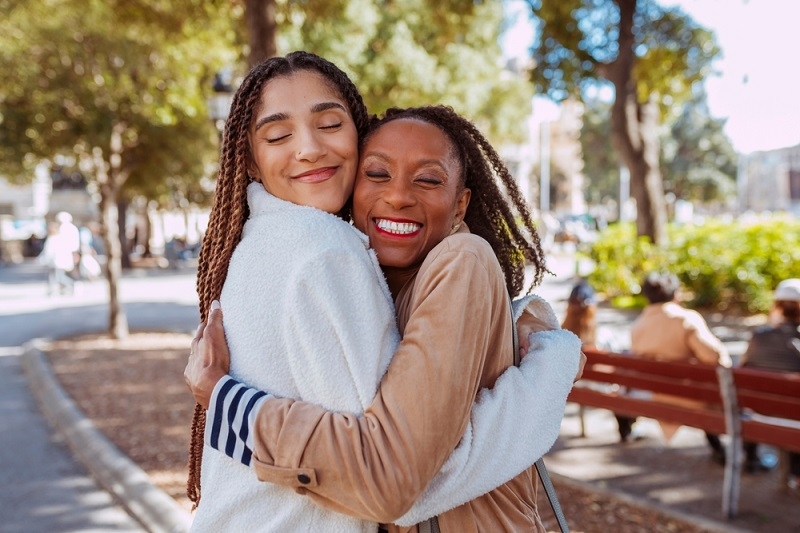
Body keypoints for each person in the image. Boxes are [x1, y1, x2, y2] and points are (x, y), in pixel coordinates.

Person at [185, 53, 582, 532]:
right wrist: (550, 369)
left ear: (461, 203)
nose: (397, 195)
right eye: (377, 174)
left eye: (329, 124)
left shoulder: (275, 244)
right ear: (248, 156)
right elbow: (394, 481)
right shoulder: (324, 250)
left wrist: (226, 404)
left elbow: (393, 478)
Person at [628, 272, 732, 462]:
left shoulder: (638, 325)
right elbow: (715, 357)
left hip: (654, 395)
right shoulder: (685, 319)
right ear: (676, 293)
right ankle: (722, 450)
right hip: (688, 397)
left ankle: (624, 431)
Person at [739, 278, 800, 478]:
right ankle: (796, 472)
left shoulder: (758, 336)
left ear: (776, 306)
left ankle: (751, 458)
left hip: (759, 414)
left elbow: (742, 368)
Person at [38, 212, 81, 295]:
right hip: (65, 255)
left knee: (60, 275)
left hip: (62, 256)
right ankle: (60, 289)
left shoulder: (64, 229)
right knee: (58, 274)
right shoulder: (71, 228)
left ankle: (71, 285)